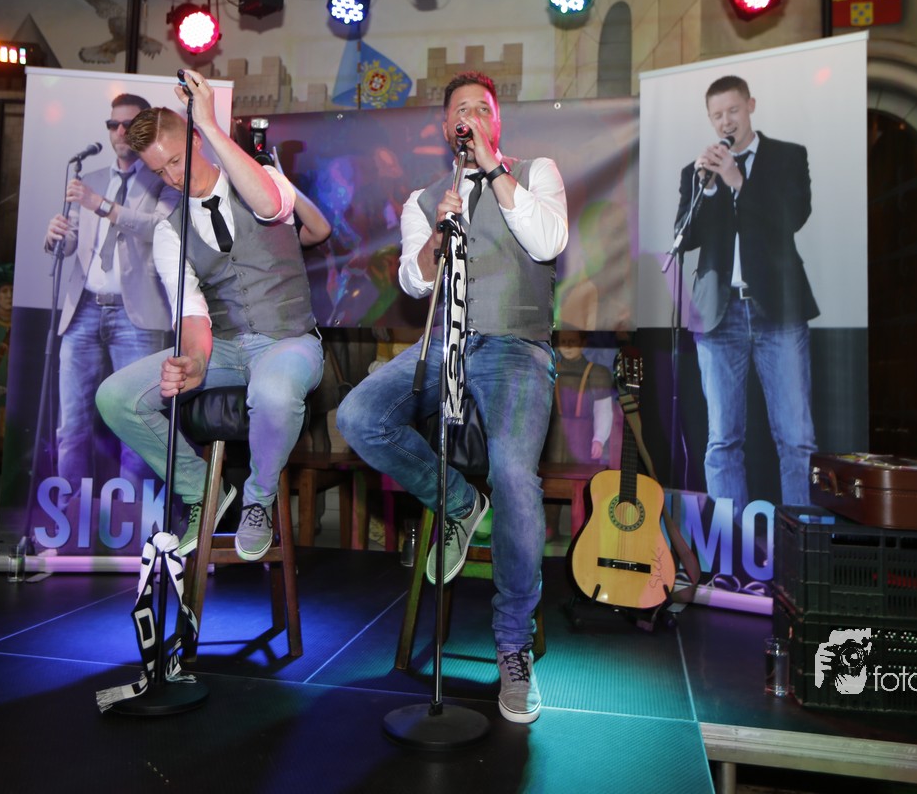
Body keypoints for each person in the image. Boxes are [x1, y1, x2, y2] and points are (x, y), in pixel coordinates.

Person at [337, 71, 568, 724]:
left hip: (516, 346)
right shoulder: (423, 200)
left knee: (515, 474)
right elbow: (414, 281)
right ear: (445, 128)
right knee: (359, 416)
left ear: (496, 122)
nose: (471, 116)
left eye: (482, 108)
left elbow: (548, 241)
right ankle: (460, 503)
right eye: (460, 110)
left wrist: (494, 170)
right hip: (445, 342)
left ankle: (512, 646)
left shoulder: (537, 173)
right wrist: (439, 236)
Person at [96, 71, 324, 560]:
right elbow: (192, 313)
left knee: (273, 390)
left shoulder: (262, 180)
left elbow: (269, 205)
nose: (173, 178)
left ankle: (258, 500)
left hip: (288, 341)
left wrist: (211, 123)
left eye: (176, 161)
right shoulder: (169, 231)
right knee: (114, 396)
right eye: (159, 172)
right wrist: (196, 362)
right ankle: (202, 489)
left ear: (195, 140)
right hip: (223, 347)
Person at [672, 74, 817, 513]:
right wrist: (709, 186)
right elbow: (684, 237)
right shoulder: (698, 172)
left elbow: (793, 216)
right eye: (717, 115)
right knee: (722, 439)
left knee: (796, 437)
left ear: (750, 105)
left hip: (778, 310)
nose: (726, 121)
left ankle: (800, 542)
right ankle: (731, 544)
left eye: (733, 110)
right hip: (719, 314)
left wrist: (739, 181)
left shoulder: (787, 156)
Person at [43, 93, 178, 514]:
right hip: (83, 308)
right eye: (112, 124)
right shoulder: (92, 178)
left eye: (128, 124)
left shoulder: (162, 178)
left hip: (136, 314)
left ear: (145, 129)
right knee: (71, 423)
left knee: (134, 419)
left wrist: (101, 205)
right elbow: (72, 243)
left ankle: (130, 520)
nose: (119, 131)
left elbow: (158, 229)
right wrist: (56, 236)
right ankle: (68, 517)